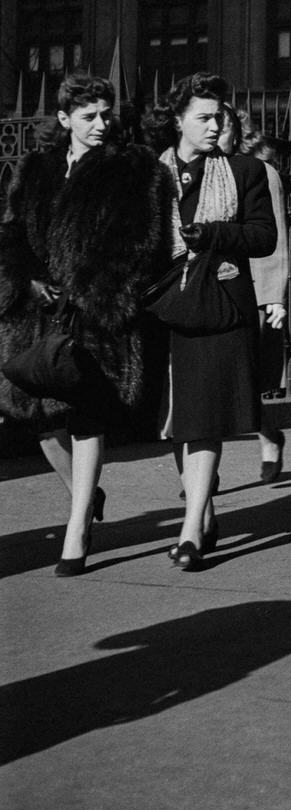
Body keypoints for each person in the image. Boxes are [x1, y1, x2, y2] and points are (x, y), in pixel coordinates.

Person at [0, 74, 171, 575]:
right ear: (65, 118)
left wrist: (92, 292)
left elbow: (140, 243)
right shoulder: (35, 169)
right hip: (35, 312)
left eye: (105, 114)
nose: (101, 124)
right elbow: (10, 233)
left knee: (83, 414)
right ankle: (84, 491)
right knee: (38, 419)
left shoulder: (133, 168)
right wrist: (28, 282)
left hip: (95, 312)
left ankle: (77, 532)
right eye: (89, 116)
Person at [154, 73, 276, 570]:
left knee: (203, 419)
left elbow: (264, 237)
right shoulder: (152, 174)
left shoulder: (245, 170)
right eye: (204, 116)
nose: (215, 124)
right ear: (178, 121)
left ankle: (189, 533)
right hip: (163, 308)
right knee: (176, 424)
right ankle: (201, 511)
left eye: (219, 116)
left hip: (221, 307)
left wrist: (213, 233)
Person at [218, 107, 290, 482]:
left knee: (244, 383)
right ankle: (201, 471)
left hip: (250, 292)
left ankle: (269, 436)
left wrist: (273, 296)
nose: (215, 132)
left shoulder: (263, 173)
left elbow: (274, 239)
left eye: (223, 126)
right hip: (205, 292)